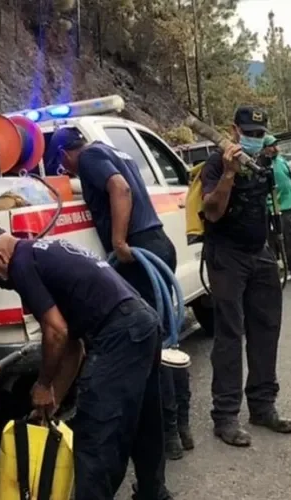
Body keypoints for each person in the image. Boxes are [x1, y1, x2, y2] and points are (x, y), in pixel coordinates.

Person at [0, 226, 173, 500]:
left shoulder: (21, 263)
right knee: (143, 420)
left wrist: (43, 384)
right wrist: (53, 398)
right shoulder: (43, 252)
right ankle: (154, 493)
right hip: (141, 324)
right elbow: (73, 346)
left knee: (96, 435)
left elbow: (55, 332)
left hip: (118, 333)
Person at [50, 128, 194, 458]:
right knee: (167, 341)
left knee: (150, 346)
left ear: (64, 154)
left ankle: (168, 432)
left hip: (138, 250)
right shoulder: (109, 151)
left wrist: (117, 241)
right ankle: (181, 427)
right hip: (156, 243)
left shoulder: (89, 158)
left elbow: (120, 188)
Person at [200, 106, 291, 447]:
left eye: (260, 134)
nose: (255, 139)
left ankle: (262, 405)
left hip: (261, 252)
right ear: (234, 131)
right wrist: (228, 173)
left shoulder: (264, 164)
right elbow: (211, 211)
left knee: (267, 328)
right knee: (229, 333)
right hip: (226, 255)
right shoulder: (215, 164)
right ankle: (225, 416)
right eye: (249, 133)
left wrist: (270, 159)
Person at [262, 135, 291, 282]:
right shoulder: (264, 165)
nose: (275, 148)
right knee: (285, 241)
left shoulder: (282, 160)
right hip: (279, 208)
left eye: (276, 145)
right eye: (271, 145)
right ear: (265, 149)